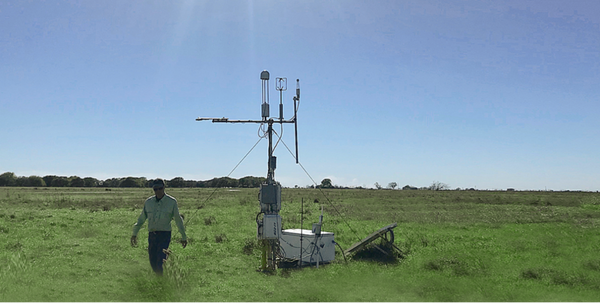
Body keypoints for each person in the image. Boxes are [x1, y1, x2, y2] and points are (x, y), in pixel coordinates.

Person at [130, 179, 187, 275]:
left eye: (160, 188)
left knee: (160, 261)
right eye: (155, 189)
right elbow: (141, 219)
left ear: (164, 188)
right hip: (152, 235)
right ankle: (159, 279)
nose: (158, 191)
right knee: (153, 261)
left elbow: (178, 220)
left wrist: (184, 237)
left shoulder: (172, 202)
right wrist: (134, 234)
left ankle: (161, 281)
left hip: (165, 235)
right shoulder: (148, 202)